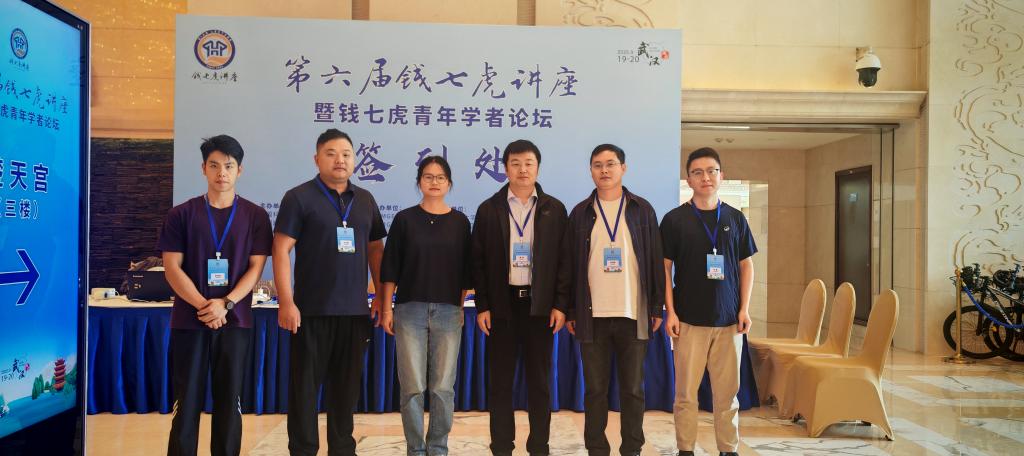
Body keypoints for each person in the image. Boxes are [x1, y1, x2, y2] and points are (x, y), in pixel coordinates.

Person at [273, 128, 387, 456]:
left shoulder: (365, 199)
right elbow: (281, 249)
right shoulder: (299, 197)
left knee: (345, 392)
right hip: (311, 312)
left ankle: (342, 449)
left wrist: (381, 296)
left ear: (355, 160)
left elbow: (376, 250)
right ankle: (303, 450)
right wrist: (287, 302)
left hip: (355, 314)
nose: (340, 160)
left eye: (346, 154)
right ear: (317, 159)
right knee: (304, 391)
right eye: (331, 154)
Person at [160, 134, 272, 456]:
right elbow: (171, 268)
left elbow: (256, 268)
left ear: (239, 170)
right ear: (203, 169)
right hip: (189, 320)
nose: (222, 172)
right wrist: (204, 305)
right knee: (187, 402)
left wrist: (227, 303)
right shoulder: (181, 214)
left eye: (229, 165)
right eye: (214, 165)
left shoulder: (255, 216)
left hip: (235, 321)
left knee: (229, 402)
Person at [471, 139, 569, 456]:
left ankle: (539, 446)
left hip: (540, 307)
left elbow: (564, 261)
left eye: (528, 163)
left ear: (537, 167)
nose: (522, 169)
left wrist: (560, 304)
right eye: (515, 163)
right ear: (505, 168)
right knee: (500, 383)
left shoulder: (554, 209)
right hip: (503, 306)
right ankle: (501, 446)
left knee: (540, 383)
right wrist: (483, 305)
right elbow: (478, 262)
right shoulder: (489, 209)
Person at [565, 143, 664, 456]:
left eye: (610, 164)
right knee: (595, 391)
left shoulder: (642, 209)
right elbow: (570, 265)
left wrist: (656, 305)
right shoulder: (580, 212)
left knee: (633, 390)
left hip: (632, 312)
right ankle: (597, 449)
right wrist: (571, 310)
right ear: (591, 171)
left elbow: (654, 259)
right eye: (597, 165)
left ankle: (632, 449)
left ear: (623, 168)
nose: (604, 170)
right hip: (591, 315)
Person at [661, 147, 756, 456]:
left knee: (727, 395)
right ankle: (685, 449)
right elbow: (664, 269)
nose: (706, 177)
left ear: (721, 176)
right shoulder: (674, 220)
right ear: (688, 179)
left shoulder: (735, 218)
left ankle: (728, 449)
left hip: (729, 322)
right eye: (698, 172)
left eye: (711, 171)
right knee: (685, 396)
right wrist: (671, 312)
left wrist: (744, 309)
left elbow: (746, 265)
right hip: (688, 321)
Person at [379, 156, 473, 456]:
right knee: (412, 387)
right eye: (428, 176)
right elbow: (390, 269)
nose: (434, 182)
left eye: (440, 177)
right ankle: (416, 449)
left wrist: (459, 307)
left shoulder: (460, 222)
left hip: (448, 312)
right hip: (409, 311)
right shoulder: (404, 220)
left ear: (449, 183)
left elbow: (466, 271)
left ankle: (438, 447)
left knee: (443, 387)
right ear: (419, 181)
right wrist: (386, 309)